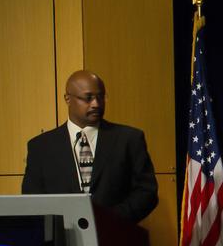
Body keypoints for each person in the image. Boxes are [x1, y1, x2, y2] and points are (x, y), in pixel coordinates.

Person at [22, 70, 159, 223]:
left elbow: (147, 192)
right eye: (88, 98)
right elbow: (32, 201)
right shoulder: (41, 147)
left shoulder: (129, 139)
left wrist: (109, 219)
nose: (96, 104)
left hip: (116, 238)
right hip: (62, 241)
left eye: (100, 97)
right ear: (67, 99)